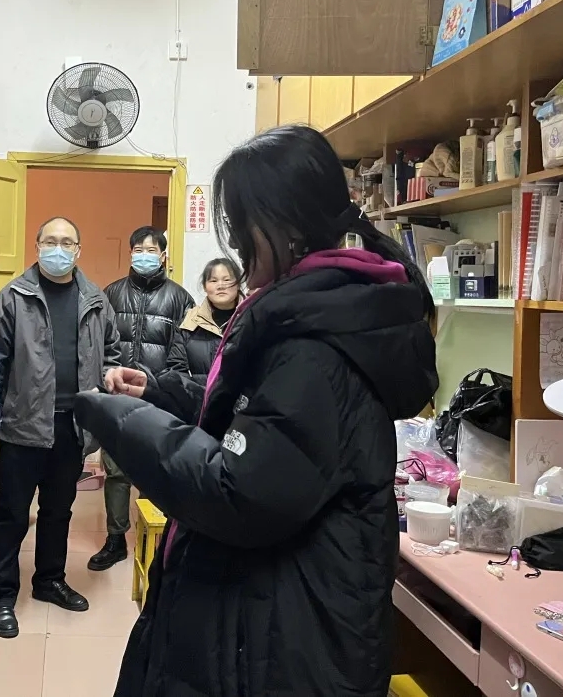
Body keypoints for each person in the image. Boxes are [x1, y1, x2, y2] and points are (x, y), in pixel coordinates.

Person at [75, 125, 438, 697]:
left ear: (286, 226)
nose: (239, 248)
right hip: (267, 608)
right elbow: (261, 416)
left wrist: (123, 420)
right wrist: (160, 393)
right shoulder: (312, 312)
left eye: (244, 227)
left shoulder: (314, 344)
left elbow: (241, 492)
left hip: (282, 633)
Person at [0, 216, 121, 638]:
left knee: (59, 511)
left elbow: (112, 353)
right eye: (50, 241)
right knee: (11, 513)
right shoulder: (14, 297)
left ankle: (49, 580)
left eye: (67, 242)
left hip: (73, 427)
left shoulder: (95, 299)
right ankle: (0, 595)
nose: (58, 249)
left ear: (78, 250)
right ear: (37, 245)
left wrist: (108, 384)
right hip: (23, 425)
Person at [91, 227, 194, 572]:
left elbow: (183, 354)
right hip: (118, 394)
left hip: (157, 398)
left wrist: (164, 389)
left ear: (163, 256)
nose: (144, 255)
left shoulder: (180, 299)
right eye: (138, 249)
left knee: (155, 469)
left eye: (151, 250)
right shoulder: (112, 293)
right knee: (116, 470)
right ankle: (115, 540)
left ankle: (155, 541)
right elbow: (100, 344)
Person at [166, 257, 242, 385]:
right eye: (213, 280)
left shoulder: (253, 317)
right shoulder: (189, 322)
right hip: (198, 396)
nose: (221, 286)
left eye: (227, 280)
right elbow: (176, 369)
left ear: (238, 284)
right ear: (205, 287)